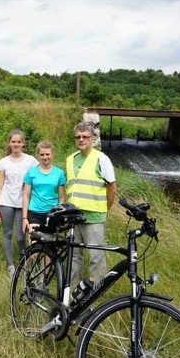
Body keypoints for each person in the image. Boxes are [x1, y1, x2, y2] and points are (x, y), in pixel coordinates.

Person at [66, 122, 116, 289]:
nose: (81, 139)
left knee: (95, 256)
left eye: (85, 136)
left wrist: (104, 210)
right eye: (78, 137)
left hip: (94, 217)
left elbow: (111, 187)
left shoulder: (101, 158)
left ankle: (96, 292)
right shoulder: (70, 159)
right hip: (73, 217)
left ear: (92, 138)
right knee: (74, 256)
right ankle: (74, 292)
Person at [0, 130, 37, 275]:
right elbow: (0, 186)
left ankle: (23, 262)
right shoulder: (3, 162)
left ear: (23, 143)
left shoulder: (31, 161)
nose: (16, 144)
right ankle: (10, 265)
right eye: (13, 142)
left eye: (19, 142)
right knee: (7, 233)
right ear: (9, 143)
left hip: (22, 203)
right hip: (6, 201)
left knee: (20, 236)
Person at [22, 140, 66, 231]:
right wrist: (24, 218)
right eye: (42, 155)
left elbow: (62, 197)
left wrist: (61, 214)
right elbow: (26, 196)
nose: (45, 157)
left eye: (47, 154)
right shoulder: (31, 172)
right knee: (35, 243)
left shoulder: (59, 173)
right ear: (38, 155)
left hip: (52, 213)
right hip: (34, 212)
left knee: (51, 243)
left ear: (52, 154)